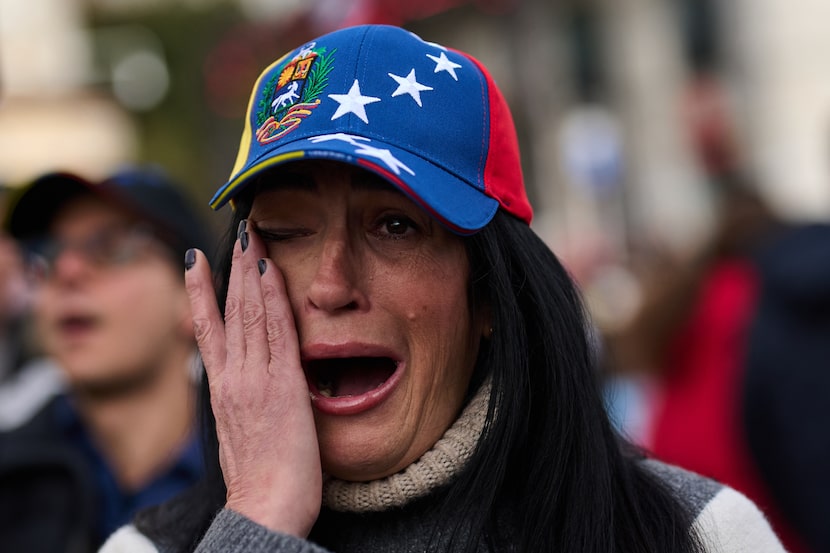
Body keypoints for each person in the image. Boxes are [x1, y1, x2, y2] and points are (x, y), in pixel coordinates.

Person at [102, 25, 786, 552]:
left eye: (396, 226)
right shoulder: (146, 547)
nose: (333, 284)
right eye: (286, 231)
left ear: (488, 294)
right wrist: (258, 523)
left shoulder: (699, 533)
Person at [0, 166, 213, 552]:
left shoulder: (260, 476)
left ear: (194, 294)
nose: (67, 271)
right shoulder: (10, 473)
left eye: (111, 247)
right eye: (48, 252)